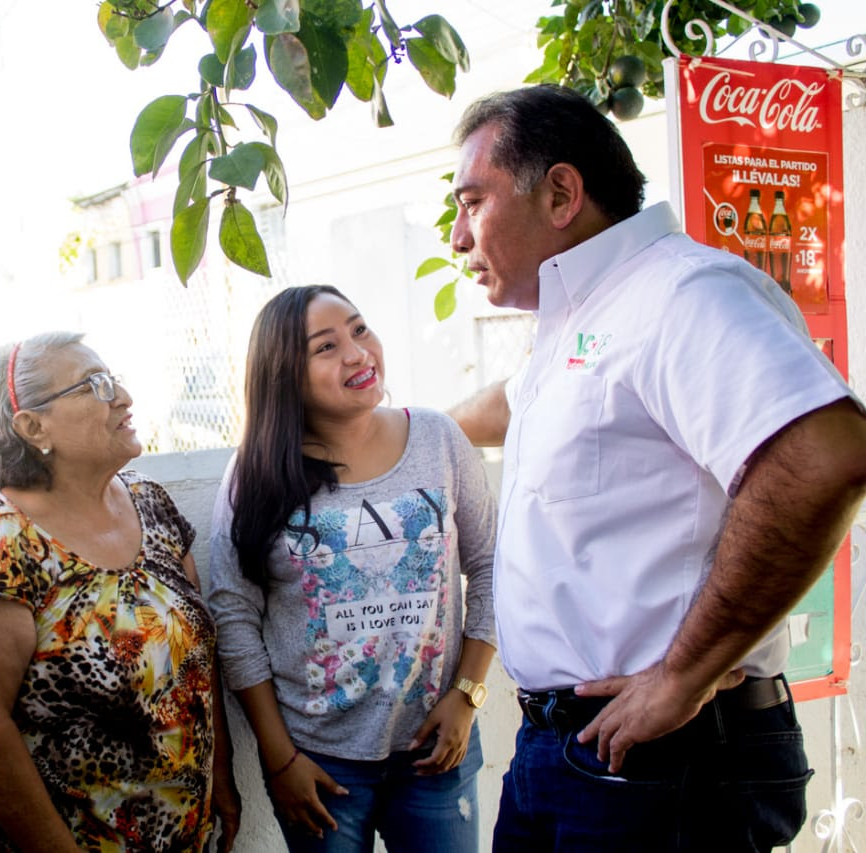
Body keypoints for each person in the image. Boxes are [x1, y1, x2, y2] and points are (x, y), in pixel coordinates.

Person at [444, 84, 866, 851]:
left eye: (472, 203)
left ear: (563, 192)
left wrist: (682, 674)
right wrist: (383, 432)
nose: (457, 237)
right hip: (570, 755)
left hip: (662, 759)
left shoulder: (680, 291)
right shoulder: (584, 315)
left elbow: (823, 456)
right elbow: (509, 404)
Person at [207, 285, 498, 852]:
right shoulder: (257, 473)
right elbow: (233, 613)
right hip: (317, 763)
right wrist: (279, 757)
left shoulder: (438, 438)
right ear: (284, 376)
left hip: (434, 750)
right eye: (327, 346)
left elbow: (490, 568)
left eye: (360, 330)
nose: (358, 353)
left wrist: (466, 697)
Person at [0, 333, 241, 853]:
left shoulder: (149, 502)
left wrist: (221, 776)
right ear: (32, 426)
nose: (122, 396)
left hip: (185, 834)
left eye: (112, 378)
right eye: (94, 385)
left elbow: (198, 668)